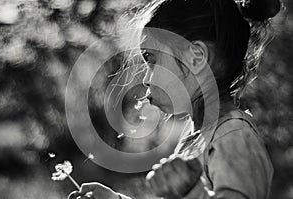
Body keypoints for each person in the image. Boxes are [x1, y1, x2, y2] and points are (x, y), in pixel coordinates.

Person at [69, 0, 281, 198]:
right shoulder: (198, 137)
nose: (145, 79)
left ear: (196, 58)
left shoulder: (234, 137)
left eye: (150, 59)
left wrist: (193, 191)